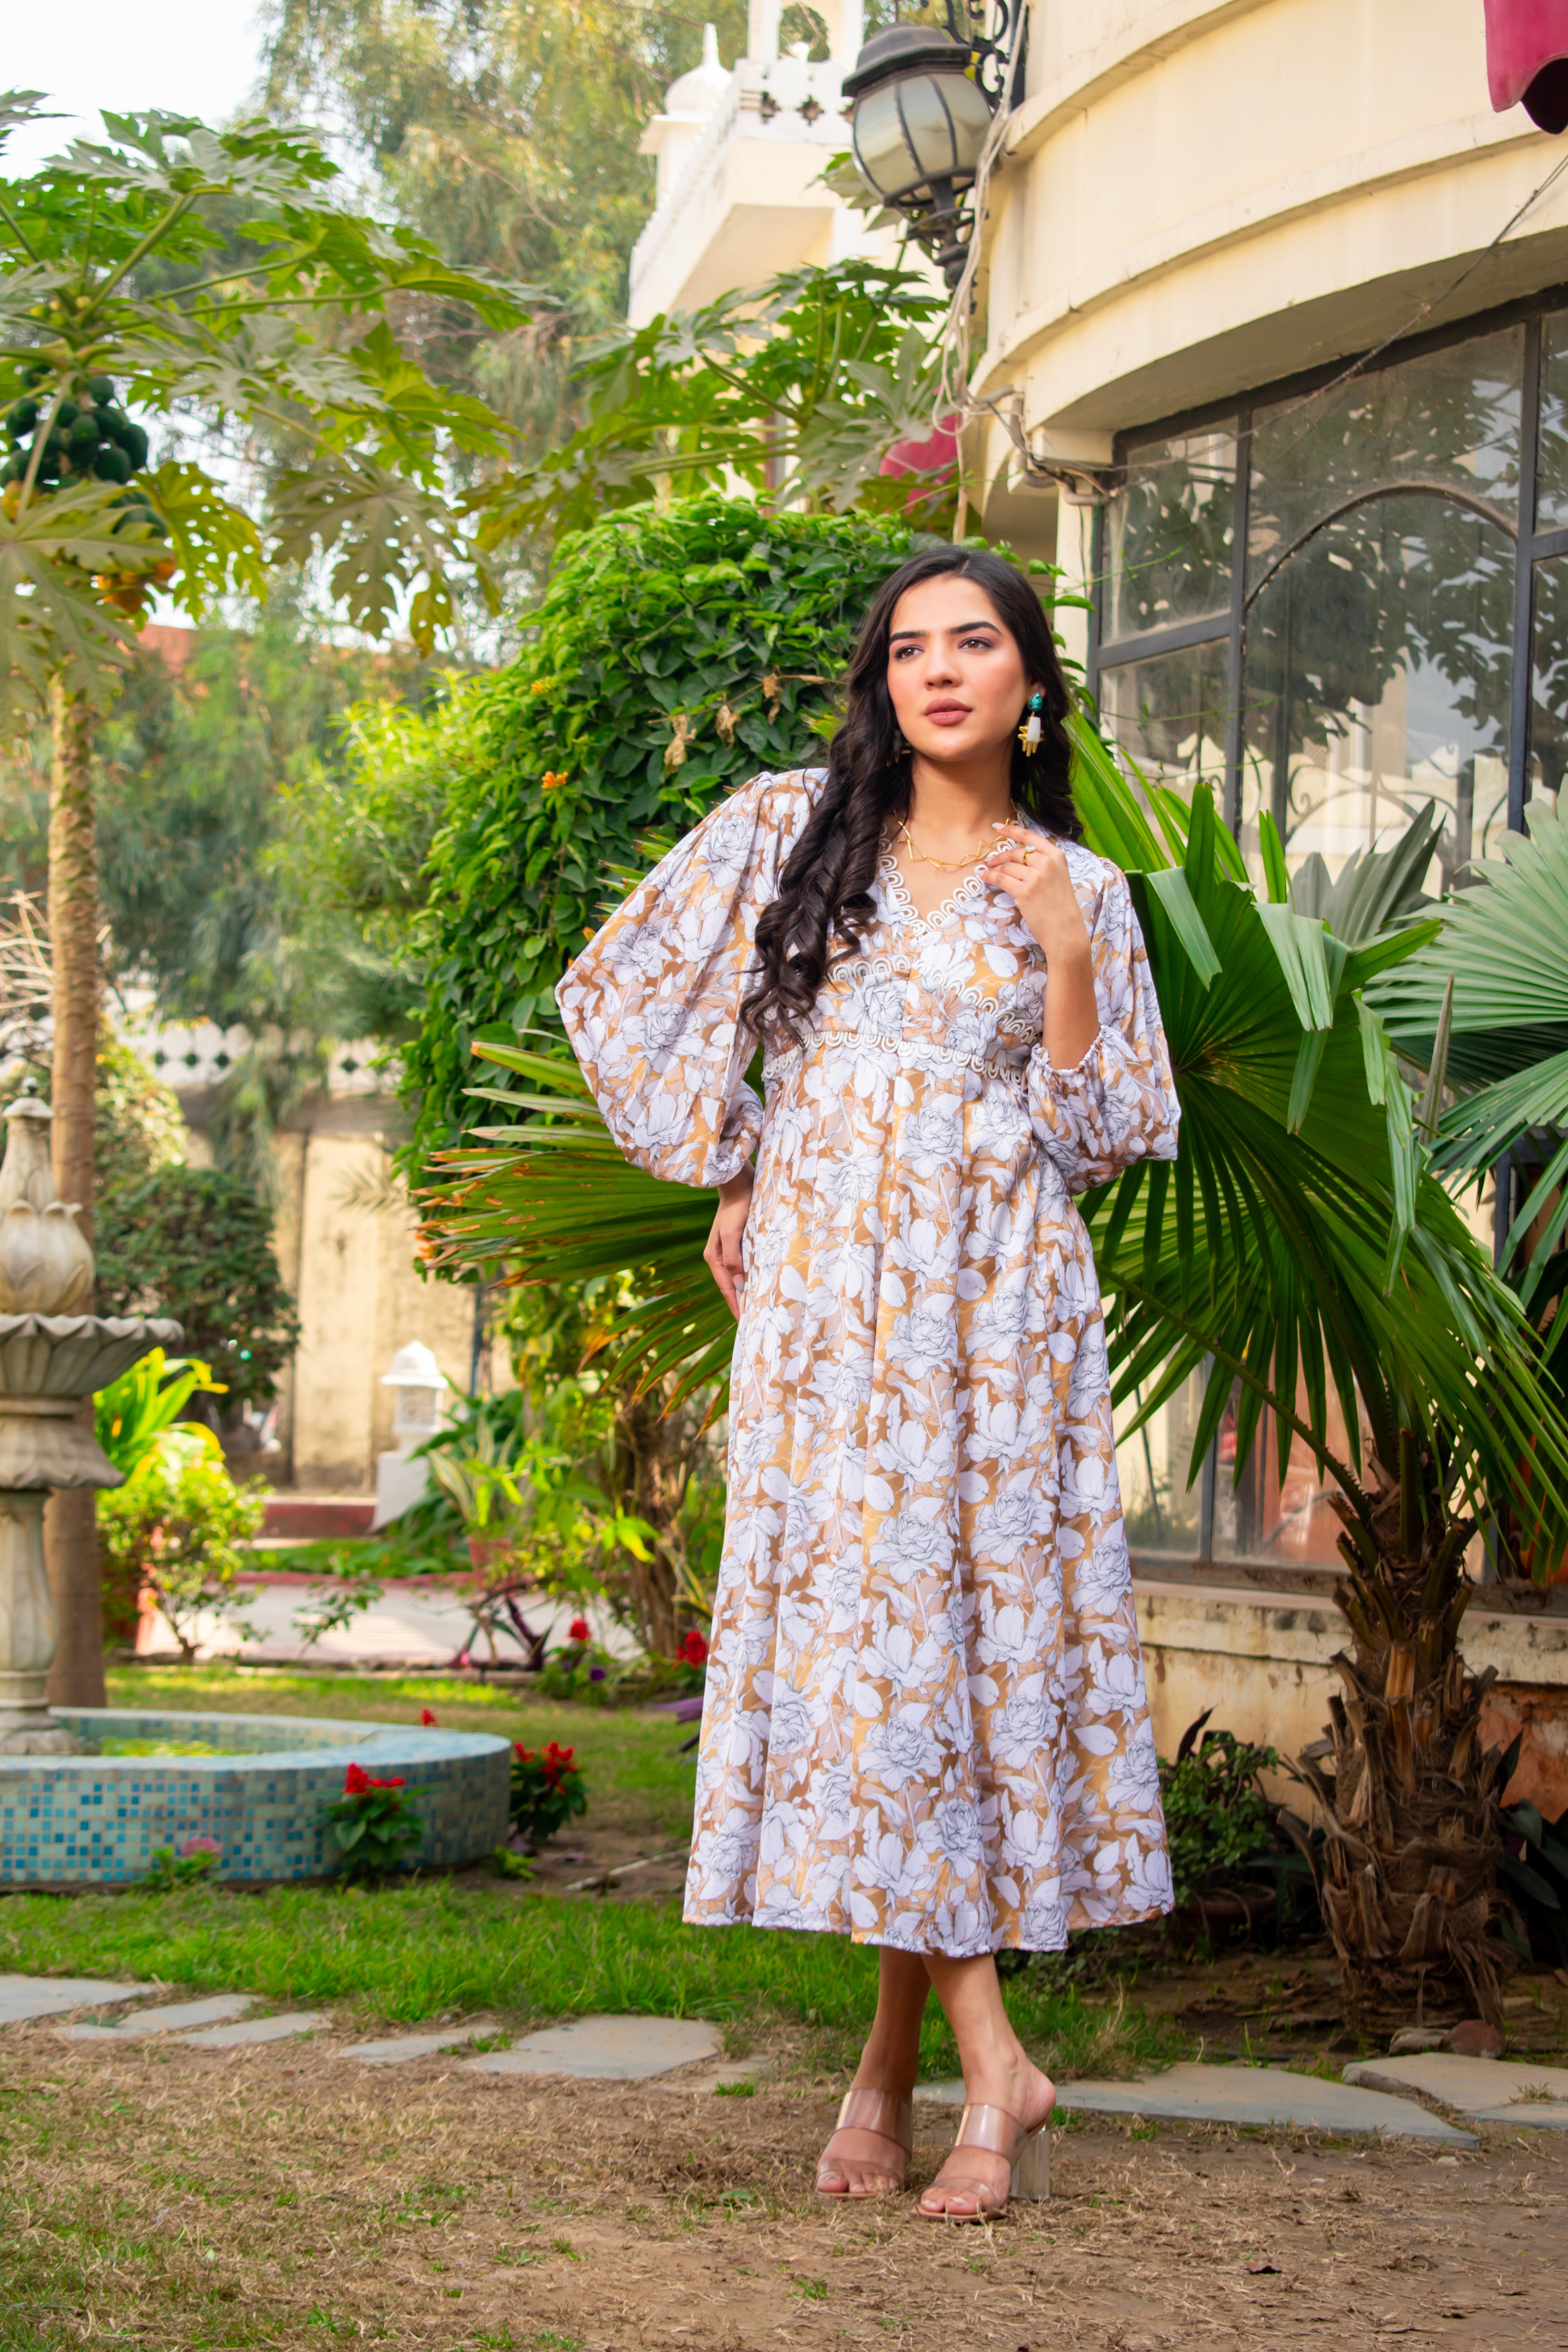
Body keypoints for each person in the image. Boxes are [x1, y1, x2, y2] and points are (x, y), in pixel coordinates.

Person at [557, 546, 1179, 2219]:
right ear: (881, 681)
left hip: (995, 1312)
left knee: (945, 1669)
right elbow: (623, 989)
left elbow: (1104, 1135)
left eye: (973, 642)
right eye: (909, 647)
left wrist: (1057, 949)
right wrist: (740, 1163)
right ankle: (989, 2066)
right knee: (872, 1656)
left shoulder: (1086, 891)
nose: (938, 670)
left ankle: (897, 2074)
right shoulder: (789, 827)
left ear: (1028, 678)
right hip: (834, 1308)